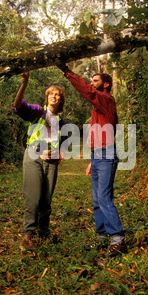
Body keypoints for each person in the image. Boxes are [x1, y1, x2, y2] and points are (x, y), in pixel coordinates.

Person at [57, 64, 126, 256]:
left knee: (104, 197)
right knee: (96, 199)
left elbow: (87, 91)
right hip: (98, 156)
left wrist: (68, 72)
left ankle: (118, 238)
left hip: (106, 154)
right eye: (91, 81)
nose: (91, 83)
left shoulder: (106, 99)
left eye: (95, 81)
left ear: (105, 84)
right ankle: (103, 238)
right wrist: (91, 160)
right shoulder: (98, 108)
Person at [14, 72, 66, 250]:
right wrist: (24, 83)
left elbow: (65, 140)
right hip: (34, 157)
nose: (54, 96)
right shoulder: (38, 112)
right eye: (51, 93)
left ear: (60, 100)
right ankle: (28, 235)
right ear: (47, 97)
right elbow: (18, 106)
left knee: (46, 199)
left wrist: (61, 153)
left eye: (57, 94)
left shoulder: (61, 121)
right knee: (33, 197)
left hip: (50, 161)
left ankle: (44, 233)